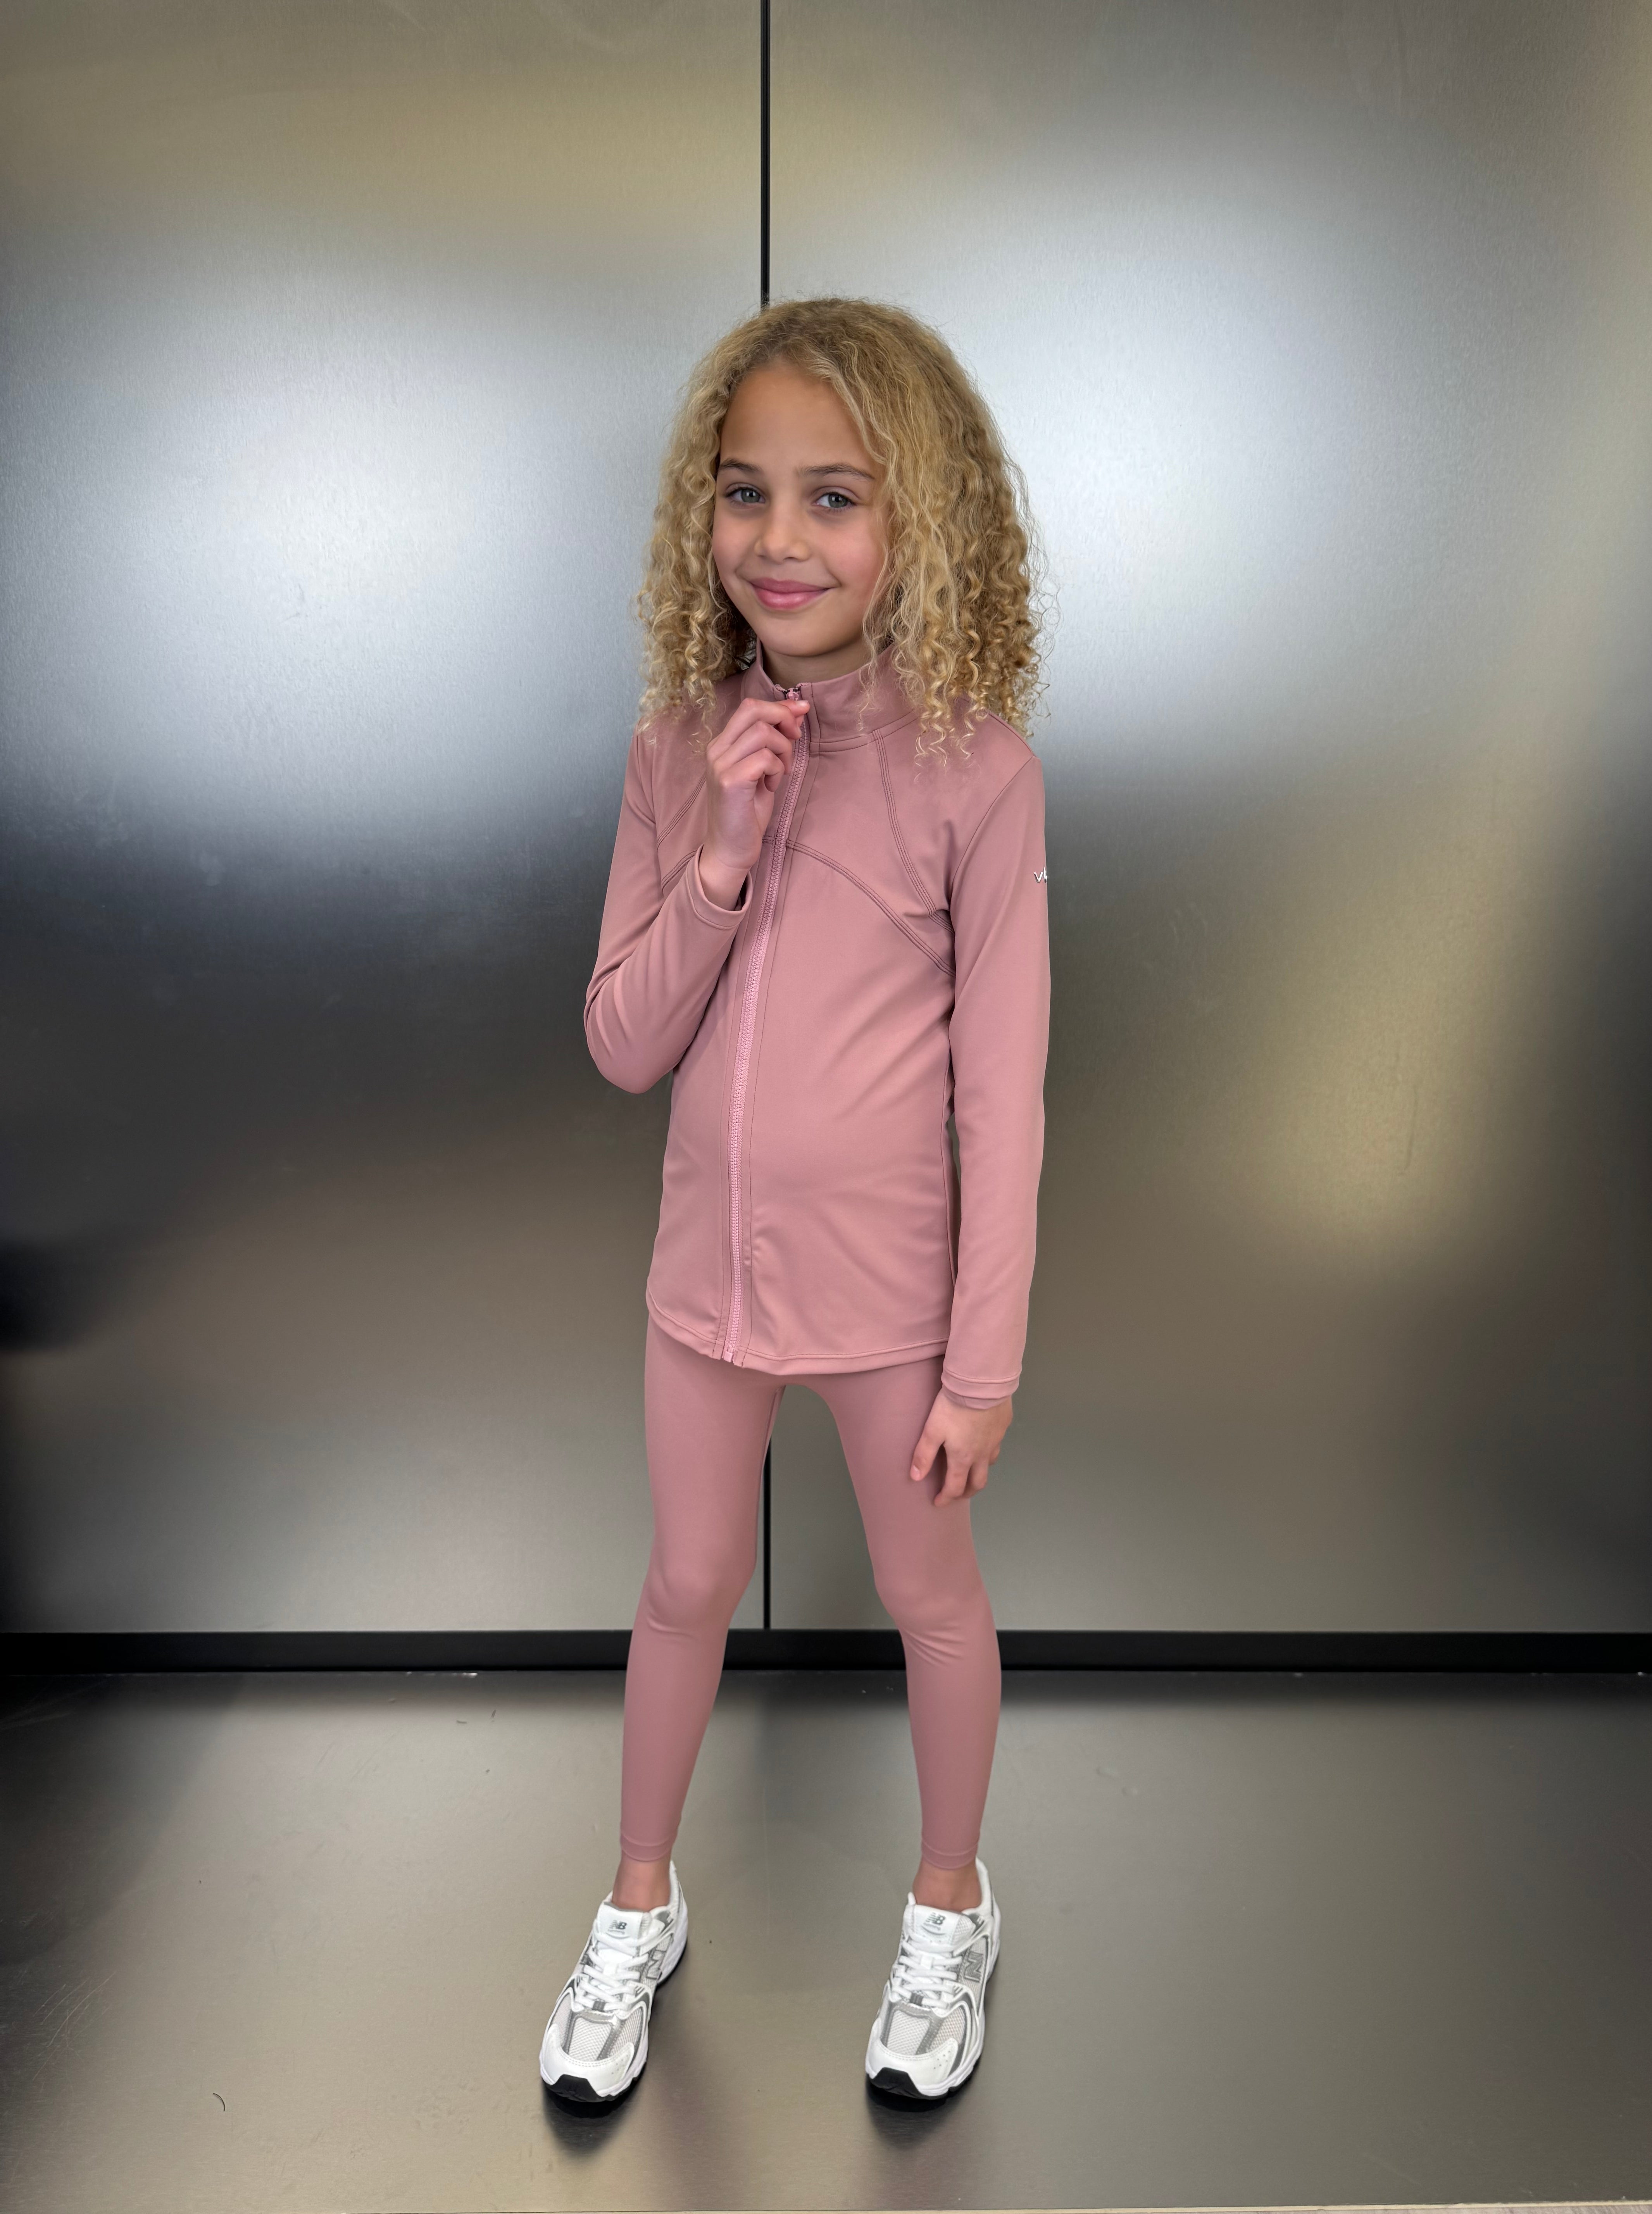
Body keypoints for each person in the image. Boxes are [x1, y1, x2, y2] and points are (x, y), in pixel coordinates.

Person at [539, 297, 1049, 2106]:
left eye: (836, 497)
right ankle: (640, 1902)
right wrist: (721, 858)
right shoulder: (676, 749)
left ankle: (949, 1903)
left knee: (930, 1596)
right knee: (685, 1579)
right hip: (707, 1288)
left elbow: (1003, 1096)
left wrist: (982, 1365)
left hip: (897, 1306)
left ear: (924, 518)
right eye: (745, 490)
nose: (781, 538)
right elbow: (624, 1044)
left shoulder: (977, 771)